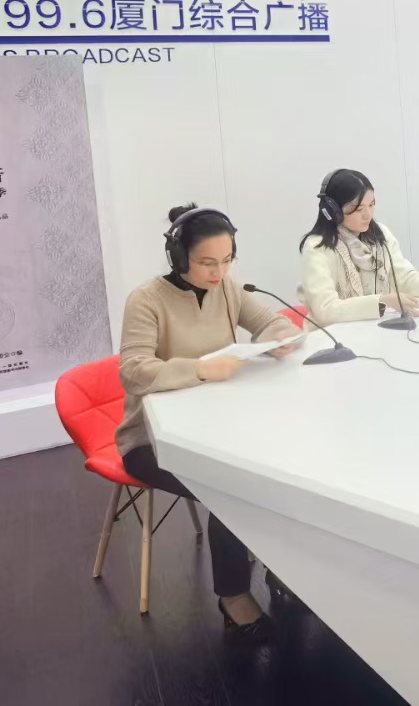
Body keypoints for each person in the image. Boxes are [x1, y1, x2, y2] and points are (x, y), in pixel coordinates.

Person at [116, 205, 304, 638]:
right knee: (230, 485)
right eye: (206, 263)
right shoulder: (146, 300)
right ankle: (234, 596)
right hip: (152, 441)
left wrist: (277, 338)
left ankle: (282, 570)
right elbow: (133, 371)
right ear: (179, 257)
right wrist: (199, 369)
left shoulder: (227, 288)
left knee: (282, 465)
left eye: (226, 261)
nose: (218, 273)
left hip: (222, 427)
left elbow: (270, 322)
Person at [297, 168, 419, 326]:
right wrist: (381, 301)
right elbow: (325, 310)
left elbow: (402, 277)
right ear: (333, 211)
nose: (368, 215)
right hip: (334, 336)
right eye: (358, 209)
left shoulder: (380, 234)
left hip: (376, 330)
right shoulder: (317, 248)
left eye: (371, 205)